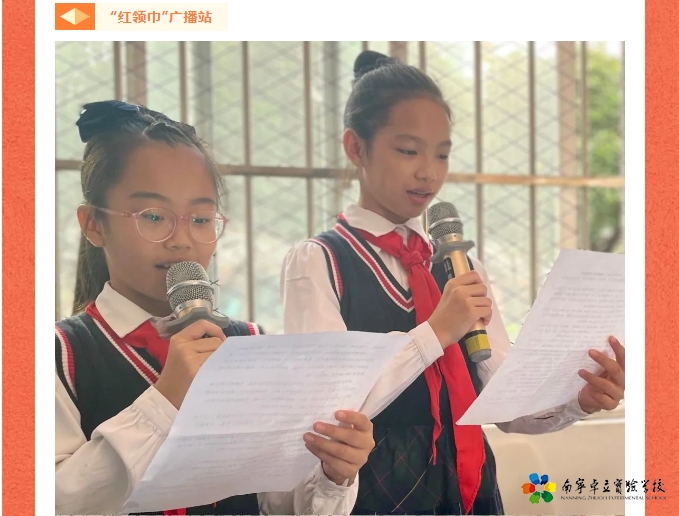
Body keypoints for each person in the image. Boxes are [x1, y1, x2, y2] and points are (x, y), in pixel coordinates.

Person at [280, 51, 626, 515]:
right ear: (356, 147)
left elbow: (505, 407)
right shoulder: (320, 262)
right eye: (409, 151)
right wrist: (437, 332)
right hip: (371, 490)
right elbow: (328, 410)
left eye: (442, 154)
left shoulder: (460, 266)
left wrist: (578, 398)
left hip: (471, 490)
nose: (429, 171)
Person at [55, 101, 375, 516]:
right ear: (93, 224)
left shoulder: (249, 345)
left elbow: (275, 501)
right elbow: (52, 499)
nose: (181, 240)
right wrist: (165, 399)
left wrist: (332, 472)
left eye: (201, 219)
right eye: (153, 216)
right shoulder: (58, 355)